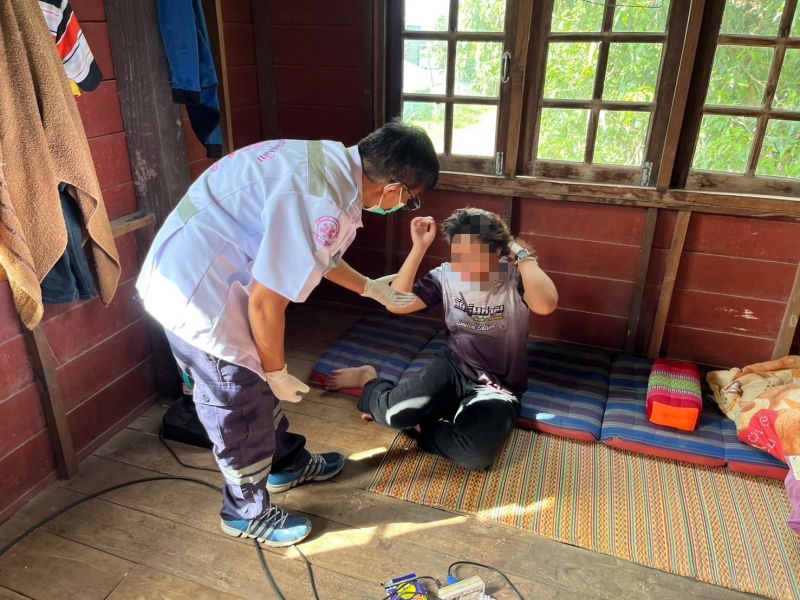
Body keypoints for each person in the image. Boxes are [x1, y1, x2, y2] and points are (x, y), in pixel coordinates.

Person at [135, 121, 439, 546]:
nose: (405, 205)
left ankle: (285, 464)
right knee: (239, 402)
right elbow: (266, 304)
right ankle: (245, 514)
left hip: (206, 267)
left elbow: (317, 252)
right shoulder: (323, 200)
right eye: (410, 198)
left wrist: (371, 287)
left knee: (256, 384)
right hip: (196, 294)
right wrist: (276, 372)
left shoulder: (331, 162)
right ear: (393, 189)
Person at [326, 208, 558, 471]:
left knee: (475, 455)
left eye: (473, 255)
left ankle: (420, 423)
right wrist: (419, 248)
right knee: (393, 415)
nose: (464, 264)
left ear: (496, 252)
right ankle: (368, 380)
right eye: (458, 255)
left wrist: (522, 255)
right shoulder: (446, 275)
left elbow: (546, 304)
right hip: (452, 367)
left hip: (498, 387)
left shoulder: (514, 277)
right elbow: (396, 303)